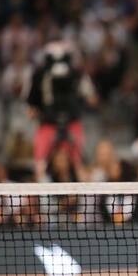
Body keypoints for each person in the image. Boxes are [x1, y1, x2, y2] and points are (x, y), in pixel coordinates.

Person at [26, 40, 98, 182]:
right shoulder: (39, 75)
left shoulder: (78, 74)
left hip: (72, 124)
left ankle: (84, 198)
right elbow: (31, 107)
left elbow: (93, 99)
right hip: (47, 125)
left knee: (78, 165)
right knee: (40, 166)